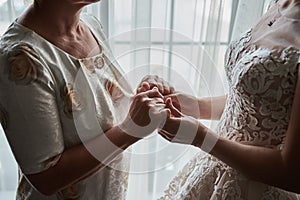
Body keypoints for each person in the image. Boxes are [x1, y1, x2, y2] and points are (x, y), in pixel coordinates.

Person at [0, 0, 173, 199]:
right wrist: (131, 129)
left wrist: (141, 96)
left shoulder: (91, 26)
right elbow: (46, 178)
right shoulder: (18, 57)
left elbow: (99, 109)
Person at [158, 0, 300, 199]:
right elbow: (260, 103)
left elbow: (292, 173)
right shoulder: (278, 3)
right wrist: (198, 106)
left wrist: (200, 137)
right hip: (212, 172)